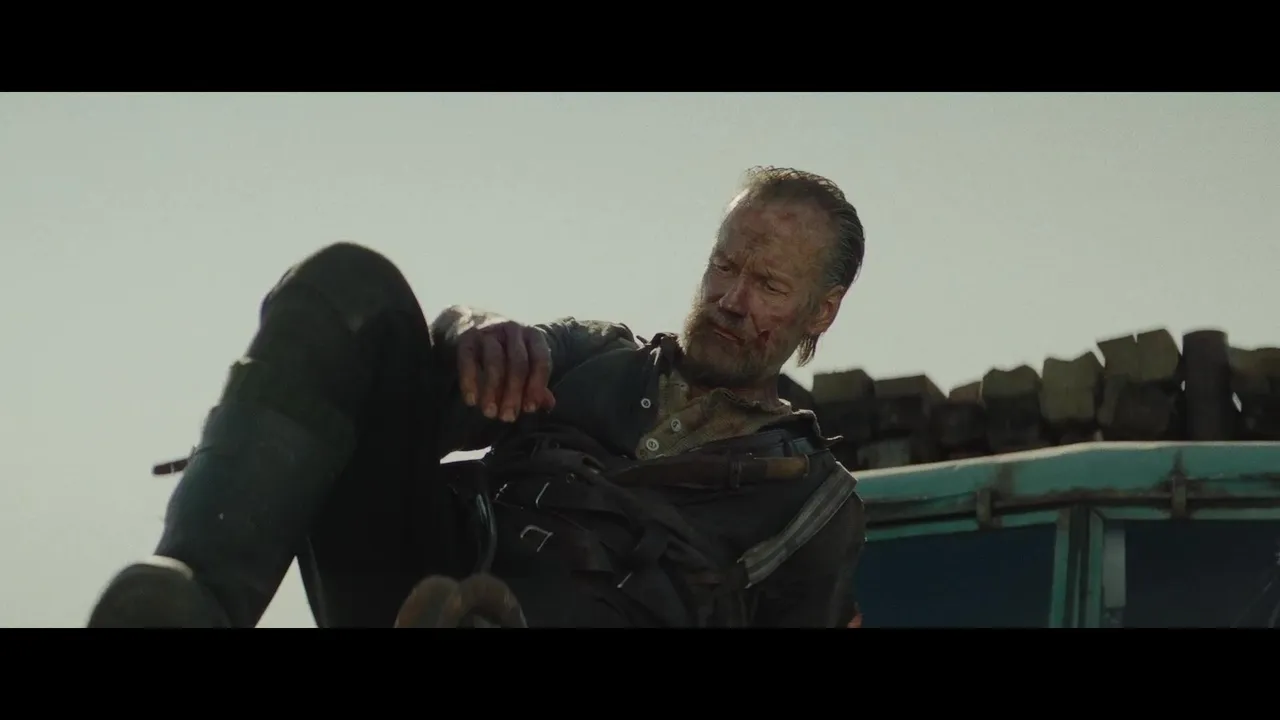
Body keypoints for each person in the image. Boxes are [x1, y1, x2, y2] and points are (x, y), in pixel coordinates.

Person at [87, 166, 868, 628]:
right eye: (724, 267)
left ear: (821, 311)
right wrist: (472, 328)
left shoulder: (814, 501)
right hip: (417, 579)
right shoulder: (594, 351)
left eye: (768, 284)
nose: (731, 299)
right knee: (350, 289)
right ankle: (194, 597)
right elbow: (431, 387)